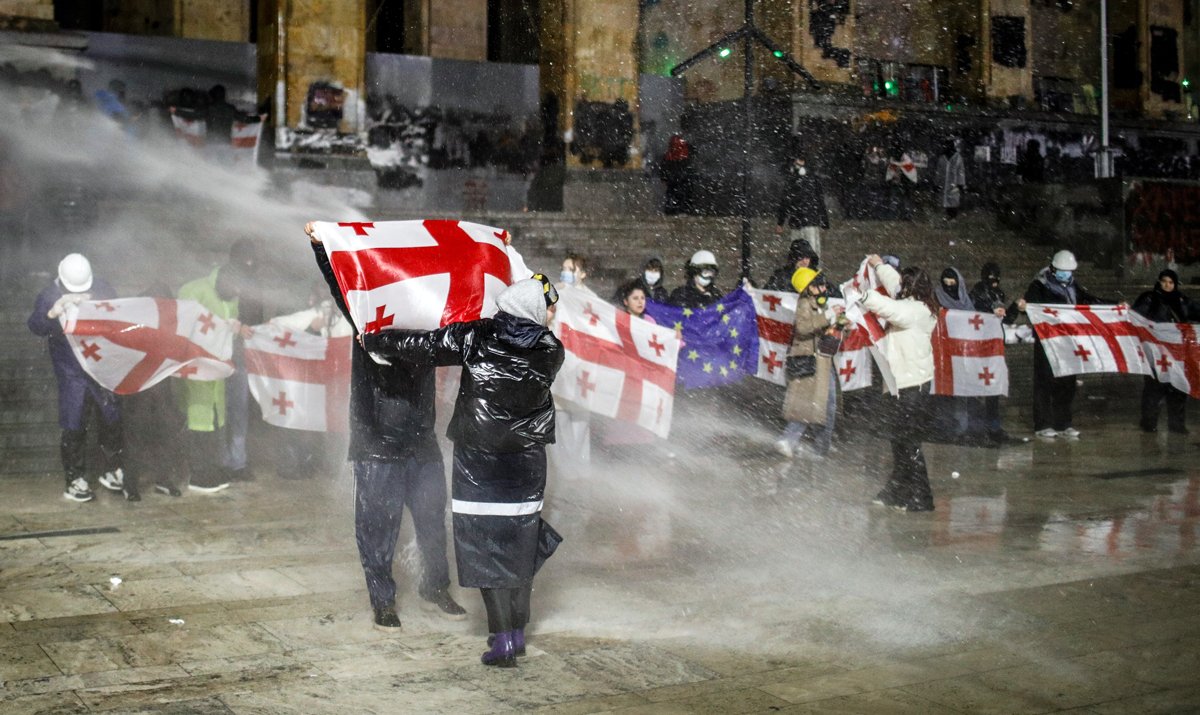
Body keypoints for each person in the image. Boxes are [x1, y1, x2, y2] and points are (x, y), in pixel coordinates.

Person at [363, 276, 565, 668]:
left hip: (479, 460)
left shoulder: (477, 336)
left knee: (484, 544)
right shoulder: (550, 349)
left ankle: (503, 640)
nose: (552, 315)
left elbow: (424, 345)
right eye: (548, 308)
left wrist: (375, 341)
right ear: (532, 311)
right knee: (519, 544)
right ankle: (515, 633)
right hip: (526, 462)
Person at [306, 223, 466, 630]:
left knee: (432, 520)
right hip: (376, 443)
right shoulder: (366, 315)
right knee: (377, 527)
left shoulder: (429, 321)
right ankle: (383, 601)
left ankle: (435, 587)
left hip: (421, 442)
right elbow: (340, 286)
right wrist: (321, 247)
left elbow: (469, 306)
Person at [27, 253, 128, 502]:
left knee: (112, 416)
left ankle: (112, 469)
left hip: (101, 365)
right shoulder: (49, 294)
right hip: (71, 369)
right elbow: (35, 326)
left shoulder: (102, 288)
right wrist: (52, 313)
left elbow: (119, 316)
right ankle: (75, 479)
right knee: (74, 421)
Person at [849, 255, 938, 512]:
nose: (900, 288)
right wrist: (879, 265)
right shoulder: (917, 302)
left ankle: (922, 497)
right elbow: (894, 285)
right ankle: (898, 490)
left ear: (912, 288)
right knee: (899, 442)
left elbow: (892, 309)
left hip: (912, 385)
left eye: (905, 285)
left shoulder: (918, 311)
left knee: (908, 442)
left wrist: (864, 295)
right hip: (901, 384)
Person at [1021, 250, 1117, 439]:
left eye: (1069, 271)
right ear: (1053, 269)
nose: (1066, 274)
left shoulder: (1073, 287)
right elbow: (1030, 306)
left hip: (1068, 341)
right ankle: (1042, 424)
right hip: (1048, 340)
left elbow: (1089, 300)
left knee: (1067, 383)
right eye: (1062, 271)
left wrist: (1114, 305)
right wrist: (1024, 307)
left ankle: (1063, 424)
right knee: (1045, 381)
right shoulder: (1039, 286)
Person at [177, 259, 251, 493]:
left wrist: (235, 329)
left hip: (218, 370)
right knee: (199, 418)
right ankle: (198, 475)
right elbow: (183, 326)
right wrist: (224, 328)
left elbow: (228, 331)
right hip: (196, 367)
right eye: (235, 288)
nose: (236, 294)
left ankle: (211, 468)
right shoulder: (193, 290)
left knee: (215, 420)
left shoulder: (232, 295)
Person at [774, 269, 843, 459]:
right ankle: (792, 441)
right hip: (810, 360)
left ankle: (818, 445)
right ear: (809, 288)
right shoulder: (805, 303)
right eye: (818, 285)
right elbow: (803, 327)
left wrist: (839, 324)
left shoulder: (820, 304)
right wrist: (828, 316)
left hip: (822, 359)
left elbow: (820, 328)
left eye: (823, 285)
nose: (823, 288)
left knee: (824, 404)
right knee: (812, 403)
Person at [1133, 270, 1197, 434]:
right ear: (1159, 282)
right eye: (1164, 281)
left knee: (1178, 387)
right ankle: (1149, 423)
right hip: (1156, 351)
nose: (1167, 285)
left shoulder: (1182, 300)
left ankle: (1177, 425)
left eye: (1171, 282)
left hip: (1177, 353)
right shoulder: (1149, 299)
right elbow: (1135, 317)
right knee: (1154, 388)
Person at [969, 262, 1018, 443]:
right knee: (976, 387)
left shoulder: (998, 293)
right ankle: (976, 429)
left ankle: (993, 427)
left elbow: (1005, 319)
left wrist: (1014, 307)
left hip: (994, 346)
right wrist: (990, 310)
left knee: (993, 388)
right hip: (979, 344)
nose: (994, 282)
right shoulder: (976, 294)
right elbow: (973, 315)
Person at [774, 153, 829, 257]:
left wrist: (780, 222)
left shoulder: (809, 180)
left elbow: (820, 201)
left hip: (805, 221)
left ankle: (809, 265)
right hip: (803, 221)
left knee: (806, 252)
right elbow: (785, 201)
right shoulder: (799, 180)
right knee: (803, 251)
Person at [935, 139, 967, 219]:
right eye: (945, 145)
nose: (946, 147)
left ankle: (953, 216)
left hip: (954, 183)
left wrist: (960, 184)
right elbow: (939, 172)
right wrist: (937, 183)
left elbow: (961, 171)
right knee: (945, 199)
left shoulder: (958, 157)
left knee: (953, 200)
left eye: (948, 145)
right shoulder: (942, 158)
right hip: (944, 182)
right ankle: (947, 216)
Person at [661, 134, 692, 215]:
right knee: (682, 194)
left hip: (672, 177)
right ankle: (682, 210)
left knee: (671, 194)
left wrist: (664, 177)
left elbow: (664, 166)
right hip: (682, 176)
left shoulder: (668, 154)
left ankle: (670, 210)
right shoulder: (685, 152)